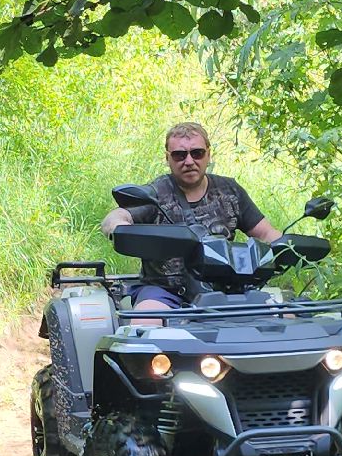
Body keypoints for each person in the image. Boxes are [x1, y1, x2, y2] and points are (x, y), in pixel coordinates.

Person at [101, 121, 283, 316]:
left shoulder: (230, 192)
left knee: (284, 315)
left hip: (226, 290)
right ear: (167, 158)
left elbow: (266, 233)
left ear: (208, 154)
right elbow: (115, 217)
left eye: (197, 153)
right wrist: (119, 228)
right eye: (179, 155)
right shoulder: (155, 194)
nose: (189, 161)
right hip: (164, 291)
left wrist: (287, 249)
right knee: (147, 322)